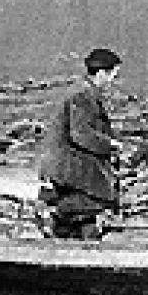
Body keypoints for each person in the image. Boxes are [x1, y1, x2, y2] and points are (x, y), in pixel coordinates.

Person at [37, 48, 123, 239]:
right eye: (112, 76)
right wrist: (112, 146)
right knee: (103, 197)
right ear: (101, 74)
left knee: (91, 210)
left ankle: (79, 236)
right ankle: (55, 213)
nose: (112, 82)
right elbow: (81, 135)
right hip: (65, 163)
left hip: (66, 159)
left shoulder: (82, 91)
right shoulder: (82, 95)